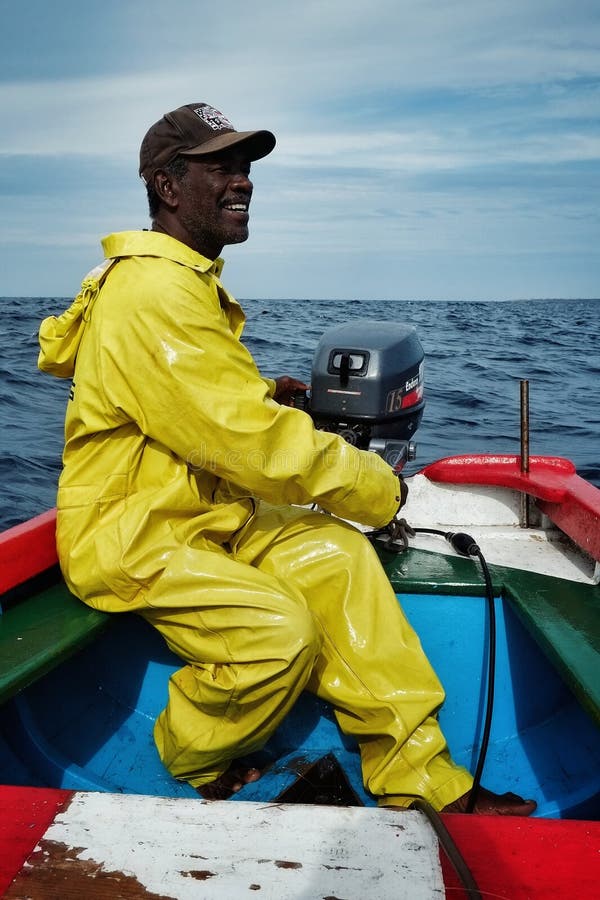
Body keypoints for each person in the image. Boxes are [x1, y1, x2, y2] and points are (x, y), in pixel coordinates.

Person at [38, 102, 535, 815]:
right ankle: (191, 753)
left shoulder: (180, 282)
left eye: (245, 168)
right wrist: (374, 486)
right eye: (222, 168)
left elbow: (197, 398)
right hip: (135, 534)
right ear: (168, 187)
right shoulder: (152, 292)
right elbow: (244, 441)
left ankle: (420, 779)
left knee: (335, 556)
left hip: (204, 514)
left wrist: (270, 391)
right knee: (277, 632)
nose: (242, 182)